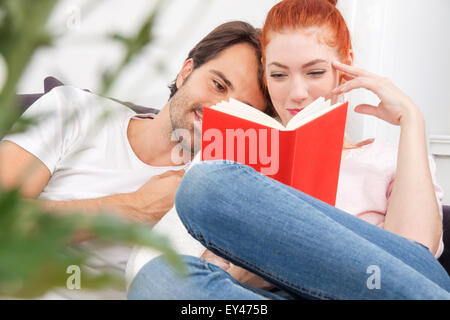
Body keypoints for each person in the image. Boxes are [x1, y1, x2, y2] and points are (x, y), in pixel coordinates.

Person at [127, 0, 450, 299]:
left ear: (346, 65)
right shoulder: (242, 164)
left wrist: (411, 119)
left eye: (315, 72)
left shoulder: (389, 160)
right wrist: (252, 259)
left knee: (205, 184)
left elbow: (414, 267)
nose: (297, 93)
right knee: (157, 277)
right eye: (279, 74)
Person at [0, 21, 270, 299]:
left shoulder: (215, 195)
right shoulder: (74, 110)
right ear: (186, 72)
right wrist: (135, 208)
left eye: (240, 112)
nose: (218, 113)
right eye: (218, 85)